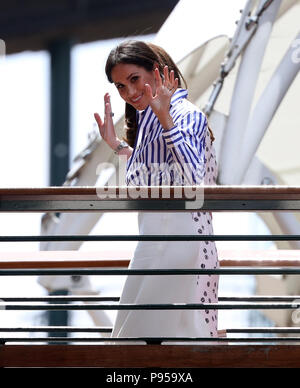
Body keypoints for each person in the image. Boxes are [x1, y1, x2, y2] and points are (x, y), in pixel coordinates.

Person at [94, 40, 219, 340]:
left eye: (134, 79)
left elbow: (192, 179)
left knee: (141, 348)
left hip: (180, 247)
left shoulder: (183, 113)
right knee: (139, 347)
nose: (129, 93)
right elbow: (147, 186)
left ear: (158, 71)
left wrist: (165, 118)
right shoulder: (148, 120)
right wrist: (119, 147)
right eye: (120, 86)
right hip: (156, 245)